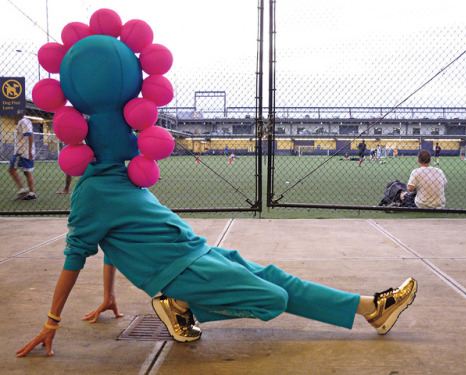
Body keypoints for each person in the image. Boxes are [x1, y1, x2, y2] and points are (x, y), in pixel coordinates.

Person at [16, 25, 418, 357]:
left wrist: (108, 295)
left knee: (278, 280)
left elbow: (111, 243)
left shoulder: (121, 175)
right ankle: (180, 307)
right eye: (129, 130)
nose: (136, 134)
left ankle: (372, 309)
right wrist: (51, 322)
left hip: (199, 251)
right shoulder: (91, 192)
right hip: (180, 271)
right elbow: (76, 255)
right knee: (272, 299)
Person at [8, 114, 36, 200]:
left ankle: (22, 190)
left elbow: (30, 135)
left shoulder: (23, 121)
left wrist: (29, 151)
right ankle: (31, 193)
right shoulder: (25, 121)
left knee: (11, 170)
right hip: (26, 151)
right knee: (27, 172)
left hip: (22, 151)